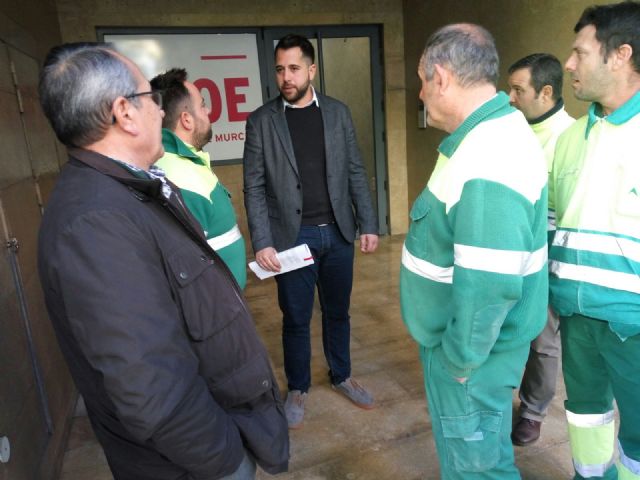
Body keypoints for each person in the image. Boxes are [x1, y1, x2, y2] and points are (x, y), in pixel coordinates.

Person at [37, 42, 288, 480]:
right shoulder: (95, 224)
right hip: (193, 465)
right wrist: (229, 460)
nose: (159, 109)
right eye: (150, 98)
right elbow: (152, 389)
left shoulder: (129, 188)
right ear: (124, 113)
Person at [400, 24, 548, 479]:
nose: (421, 95)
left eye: (423, 82)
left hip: (471, 358)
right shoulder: (488, 135)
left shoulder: (489, 155)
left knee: (477, 471)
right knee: (484, 461)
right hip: (475, 352)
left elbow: (490, 285)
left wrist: (459, 363)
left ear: (441, 77)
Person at [243, 34, 379, 429]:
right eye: (280, 69)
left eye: (294, 68)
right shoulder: (262, 121)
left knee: (338, 312)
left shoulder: (337, 113)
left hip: (337, 233)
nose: (286, 77)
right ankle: (298, 388)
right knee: (296, 317)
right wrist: (263, 240)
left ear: (312, 70)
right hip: (292, 238)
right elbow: (253, 186)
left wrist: (367, 222)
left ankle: (342, 375)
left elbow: (354, 169)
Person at [550, 2, 640, 478]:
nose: (569, 64)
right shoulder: (569, 139)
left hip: (634, 323)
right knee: (585, 415)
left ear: (621, 55)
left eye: (580, 53)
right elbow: (552, 222)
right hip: (575, 316)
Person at [507, 53, 574, 446]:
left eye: (518, 89)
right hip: (507, 241)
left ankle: (532, 411)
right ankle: (499, 398)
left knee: (542, 337)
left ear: (545, 92)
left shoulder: (569, 137)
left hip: (547, 244)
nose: (510, 96)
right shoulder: (513, 127)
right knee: (505, 325)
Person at [150, 68, 247, 288]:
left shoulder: (185, 162)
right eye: (202, 105)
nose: (209, 110)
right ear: (187, 120)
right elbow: (185, 269)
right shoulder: (176, 177)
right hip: (215, 312)